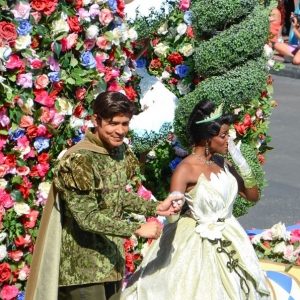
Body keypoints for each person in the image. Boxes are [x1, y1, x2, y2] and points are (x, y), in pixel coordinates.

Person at [24, 91, 183, 300]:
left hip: (111, 261)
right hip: (83, 269)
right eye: (113, 123)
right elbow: (86, 217)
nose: (120, 130)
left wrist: (154, 208)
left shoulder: (119, 151)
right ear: (96, 120)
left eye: (124, 124)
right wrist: (135, 228)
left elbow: (116, 196)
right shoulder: (80, 160)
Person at [121, 99, 271, 300]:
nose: (229, 140)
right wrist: (175, 205)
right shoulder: (185, 170)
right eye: (223, 136)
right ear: (208, 139)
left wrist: (243, 165)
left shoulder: (222, 162)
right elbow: (172, 217)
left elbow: (252, 196)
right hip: (195, 240)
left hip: (232, 235)